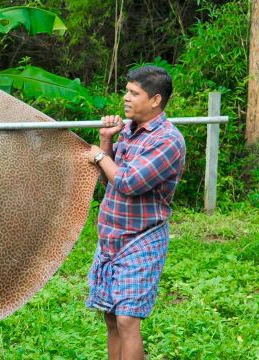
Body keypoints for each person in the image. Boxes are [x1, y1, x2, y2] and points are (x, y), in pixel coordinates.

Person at [85, 66, 186, 360]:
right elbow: (108, 178)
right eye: (126, 91)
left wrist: (100, 155)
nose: (126, 98)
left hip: (141, 239)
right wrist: (106, 139)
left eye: (134, 93)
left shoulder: (167, 140)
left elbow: (128, 183)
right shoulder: (129, 131)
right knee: (110, 317)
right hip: (111, 238)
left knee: (128, 319)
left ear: (155, 100)